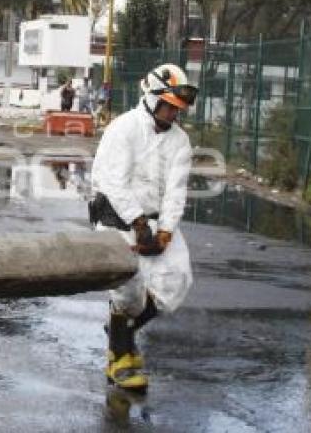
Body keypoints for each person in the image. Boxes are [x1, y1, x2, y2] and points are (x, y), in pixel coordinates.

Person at [89, 63, 198, 393]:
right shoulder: (123, 129)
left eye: (177, 109)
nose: (172, 114)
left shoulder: (181, 141)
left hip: (154, 220)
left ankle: (121, 331)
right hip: (116, 219)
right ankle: (119, 360)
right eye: (168, 106)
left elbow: (176, 189)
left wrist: (165, 231)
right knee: (129, 286)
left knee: (176, 281)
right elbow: (112, 181)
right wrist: (138, 223)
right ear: (151, 99)